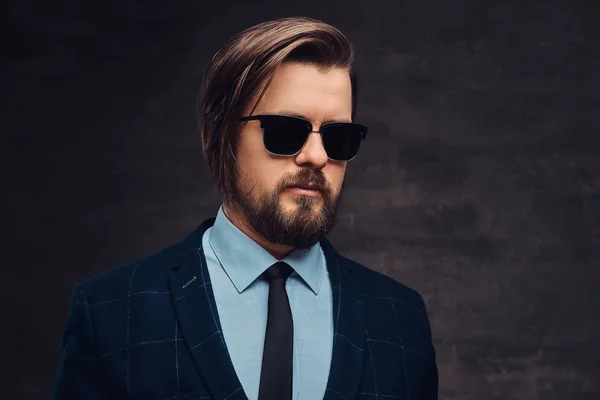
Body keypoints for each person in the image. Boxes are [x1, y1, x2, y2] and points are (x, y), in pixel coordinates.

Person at [51, 16, 438, 400]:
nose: (317, 157)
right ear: (220, 135)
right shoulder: (110, 310)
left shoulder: (400, 319)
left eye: (340, 138)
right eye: (286, 131)